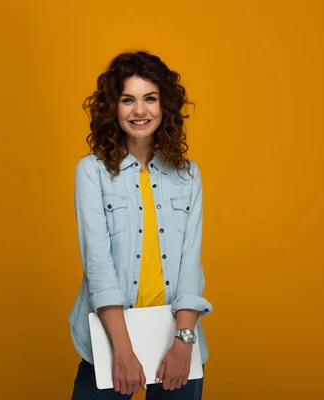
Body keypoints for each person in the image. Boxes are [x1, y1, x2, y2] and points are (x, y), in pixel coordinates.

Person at [69, 51, 213, 400]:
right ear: (112, 108)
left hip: (175, 340)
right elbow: (98, 264)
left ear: (165, 105)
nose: (140, 111)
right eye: (127, 100)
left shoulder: (187, 174)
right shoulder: (92, 171)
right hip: (110, 339)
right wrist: (122, 350)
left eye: (150, 98)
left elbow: (191, 263)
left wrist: (184, 342)